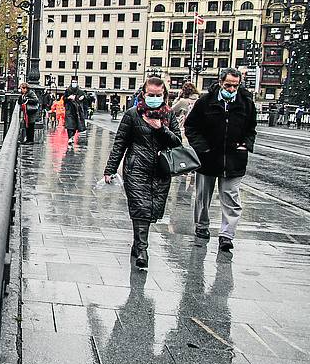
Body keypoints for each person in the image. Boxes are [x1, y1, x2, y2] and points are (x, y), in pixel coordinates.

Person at [104, 77, 183, 269]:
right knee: (141, 208)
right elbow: (120, 143)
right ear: (143, 94)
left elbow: (177, 142)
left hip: (161, 170)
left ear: (164, 95)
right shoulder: (132, 115)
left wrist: (161, 129)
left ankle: (137, 243)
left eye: (158, 95)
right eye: (151, 95)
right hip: (136, 168)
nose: (154, 98)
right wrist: (110, 169)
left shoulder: (169, 115)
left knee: (153, 209)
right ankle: (142, 250)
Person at [184, 68, 257, 252]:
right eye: (228, 85)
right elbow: (191, 126)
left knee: (231, 198)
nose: (231, 89)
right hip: (208, 159)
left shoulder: (246, 103)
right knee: (202, 196)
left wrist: (246, 144)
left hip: (234, 160)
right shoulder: (205, 102)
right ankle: (201, 226)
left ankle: (227, 235)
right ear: (220, 82)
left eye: (235, 85)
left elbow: (251, 129)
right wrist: (202, 147)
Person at [63, 80, 86, 146]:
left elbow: (85, 97)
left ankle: (72, 136)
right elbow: (64, 98)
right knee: (69, 124)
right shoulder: (67, 90)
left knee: (76, 125)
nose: (74, 84)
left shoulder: (80, 91)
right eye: (73, 82)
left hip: (77, 110)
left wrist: (82, 97)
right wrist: (68, 98)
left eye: (75, 82)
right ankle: (69, 137)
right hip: (69, 109)